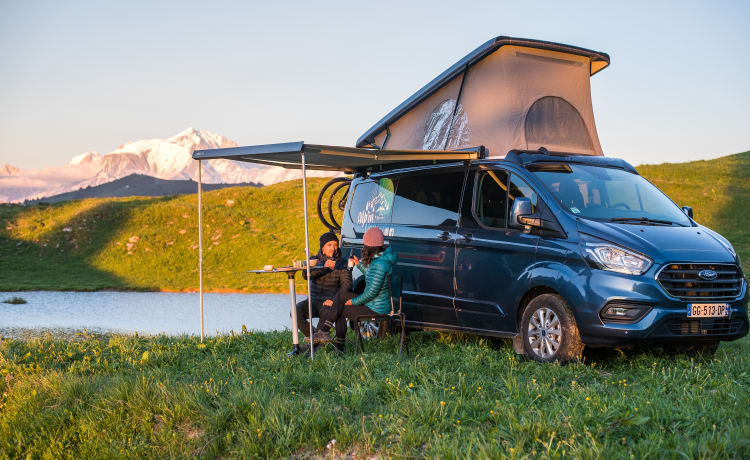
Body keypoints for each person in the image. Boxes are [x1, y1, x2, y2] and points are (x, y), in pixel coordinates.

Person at [311, 227, 398, 352]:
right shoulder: (381, 259)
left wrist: (353, 302)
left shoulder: (379, 264)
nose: (363, 248)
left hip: (376, 310)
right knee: (340, 302)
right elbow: (372, 276)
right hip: (376, 305)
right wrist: (359, 265)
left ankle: (327, 335)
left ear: (370, 246)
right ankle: (333, 341)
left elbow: (371, 293)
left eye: (365, 245)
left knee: (339, 305)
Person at [295, 232, 351, 342]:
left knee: (327, 311)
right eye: (329, 245)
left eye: (335, 245)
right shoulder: (314, 260)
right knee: (295, 310)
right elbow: (305, 275)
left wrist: (335, 300)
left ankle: (312, 345)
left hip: (329, 302)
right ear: (323, 248)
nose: (332, 248)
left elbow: (347, 285)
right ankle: (314, 337)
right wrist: (324, 267)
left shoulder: (343, 263)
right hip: (312, 301)